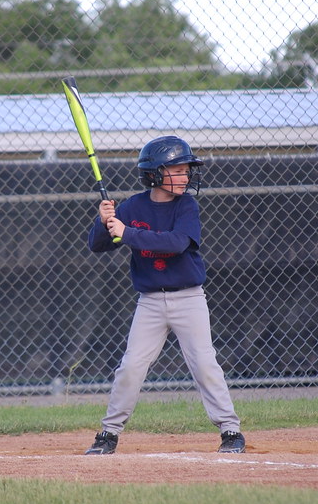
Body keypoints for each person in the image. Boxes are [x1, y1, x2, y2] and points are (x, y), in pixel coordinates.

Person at [84, 136, 246, 455]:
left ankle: (230, 430)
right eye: (178, 170)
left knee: (204, 364)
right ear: (156, 174)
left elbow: (177, 242)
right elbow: (97, 244)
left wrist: (127, 233)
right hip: (151, 303)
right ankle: (108, 434)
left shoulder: (187, 205)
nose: (186, 177)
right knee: (131, 366)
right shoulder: (133, 206)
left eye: (187, 170)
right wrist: (105, 223)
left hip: (189, 298)